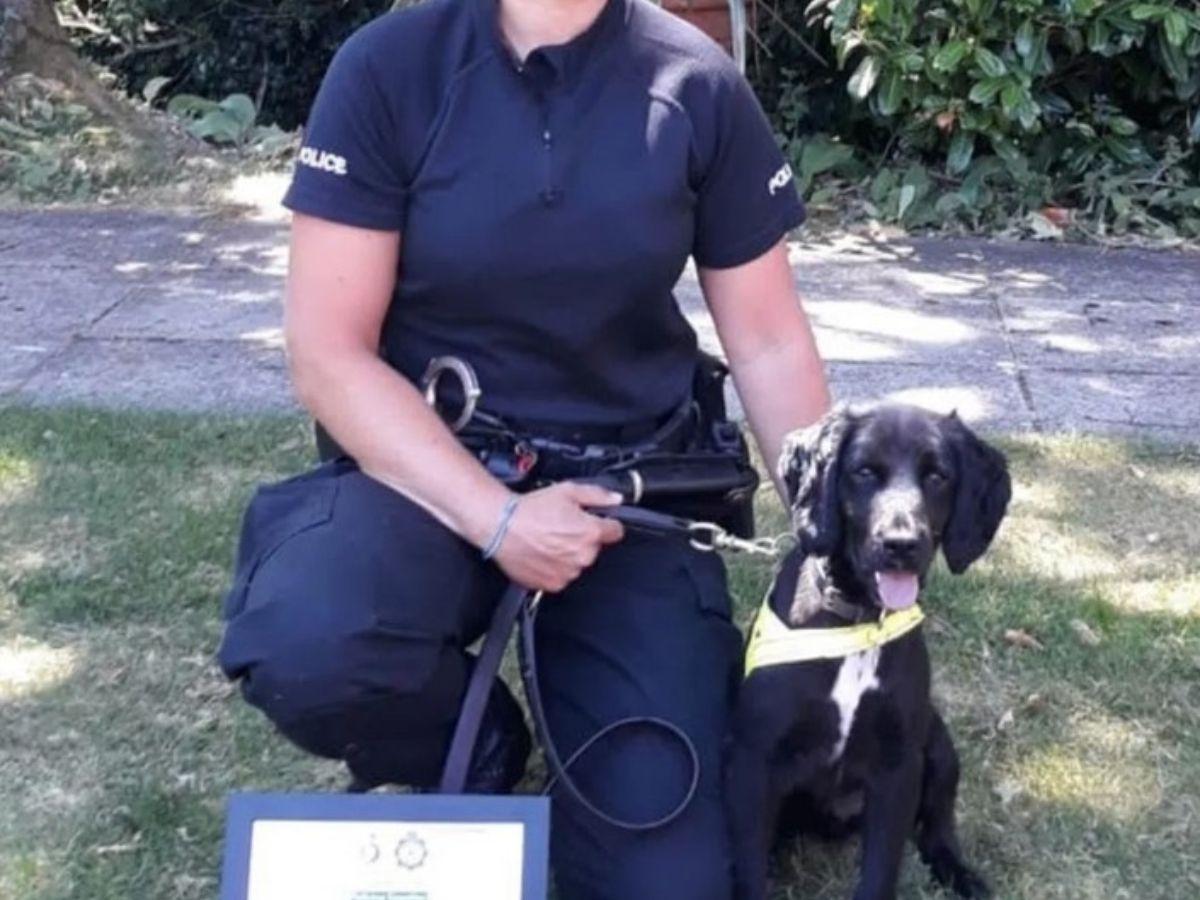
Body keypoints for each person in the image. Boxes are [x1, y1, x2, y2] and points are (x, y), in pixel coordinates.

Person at [217, 0, 829, 896]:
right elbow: (327, 353)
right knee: (312, 641)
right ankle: (481, 744)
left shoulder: (695, 81)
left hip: (631, 495)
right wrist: (497, 518)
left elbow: (770, 342)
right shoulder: (387, 66)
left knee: (667, 878)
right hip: (430, 474)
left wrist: (829, 538)